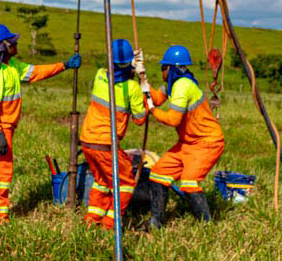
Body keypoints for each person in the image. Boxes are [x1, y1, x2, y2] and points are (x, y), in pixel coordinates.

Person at [0, 23, 81, 224]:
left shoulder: (12, 66)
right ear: (4, 45)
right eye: (12, 41)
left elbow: (35, 72)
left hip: (2, 127)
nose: (16, 43)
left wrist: (64, 65)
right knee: (0, 172)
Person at [146, 44, 224, 228]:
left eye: (162, 68)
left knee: (188, 182)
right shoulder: (174, 84)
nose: (161, 72)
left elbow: (173, 119)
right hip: (188, 144)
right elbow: (156, 98)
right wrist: (143, 81)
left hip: (207, 143)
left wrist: (152, 111)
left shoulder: (182, 86)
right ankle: (156, 222)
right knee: (158, 174)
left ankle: (207, 226)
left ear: (171, 68)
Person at [78, 38, 148, 229]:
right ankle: (110, 222)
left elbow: (117, 71)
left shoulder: (100, 75)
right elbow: (140, 119)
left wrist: (131, 64)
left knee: (102, 181)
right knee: (125, 182)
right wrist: (143, 86)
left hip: (87, 141)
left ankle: (92, 218)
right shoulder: (132, 88)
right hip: (106, 145)